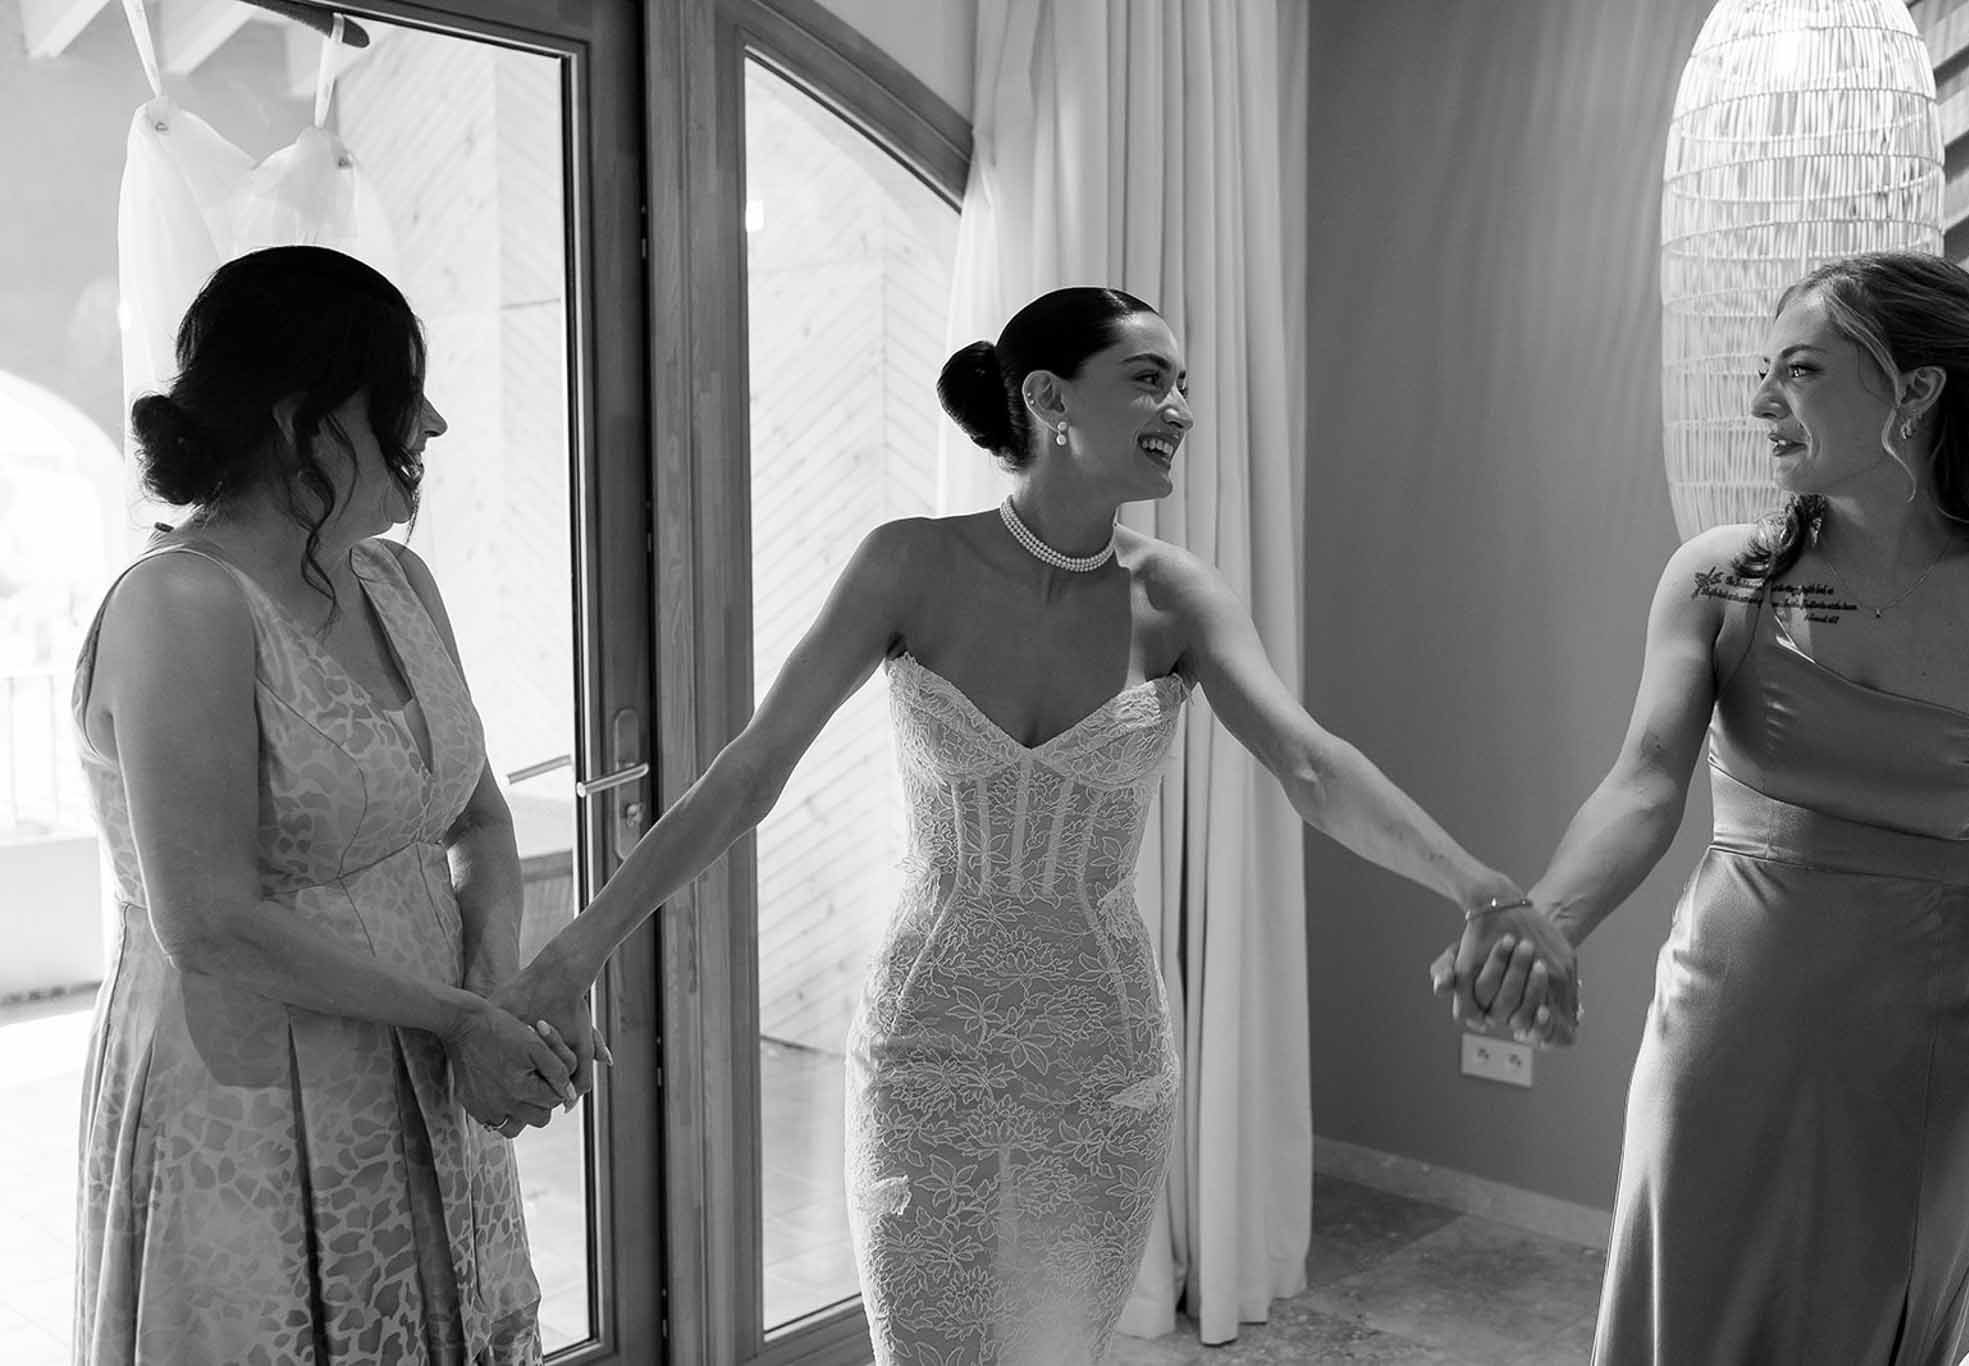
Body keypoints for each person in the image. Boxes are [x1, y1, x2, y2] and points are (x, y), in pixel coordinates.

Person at [491, 284, 1567, 1364]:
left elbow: (1311, 764)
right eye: (1149, 378)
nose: (1180, 407)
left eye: (1182, 383)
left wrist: (1483, 886)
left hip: (1100, 1058)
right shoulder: (909, 562)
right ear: (1048, 398)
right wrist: (576, 949)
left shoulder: (1174, 598)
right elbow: (747, 774)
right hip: (926, 1049)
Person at [1439, 250, 1969, 1363]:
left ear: (1914, 390)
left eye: (1799, 370)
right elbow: (1642, 780)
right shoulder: (1721, 576)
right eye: (1759, 372)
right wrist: (1546, 918)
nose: (1759, 401)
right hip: (1724, 1019)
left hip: (1913, 1042)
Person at [72, 244, 583, 1364]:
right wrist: (455, 1017)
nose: (433, 425)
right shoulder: (182, 605)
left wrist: (490, 986)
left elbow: (479, 817)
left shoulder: (398, 584)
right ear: (306, 419)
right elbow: (205, 916)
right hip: (257, 1092)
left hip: (433, 1058)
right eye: (403, 396)